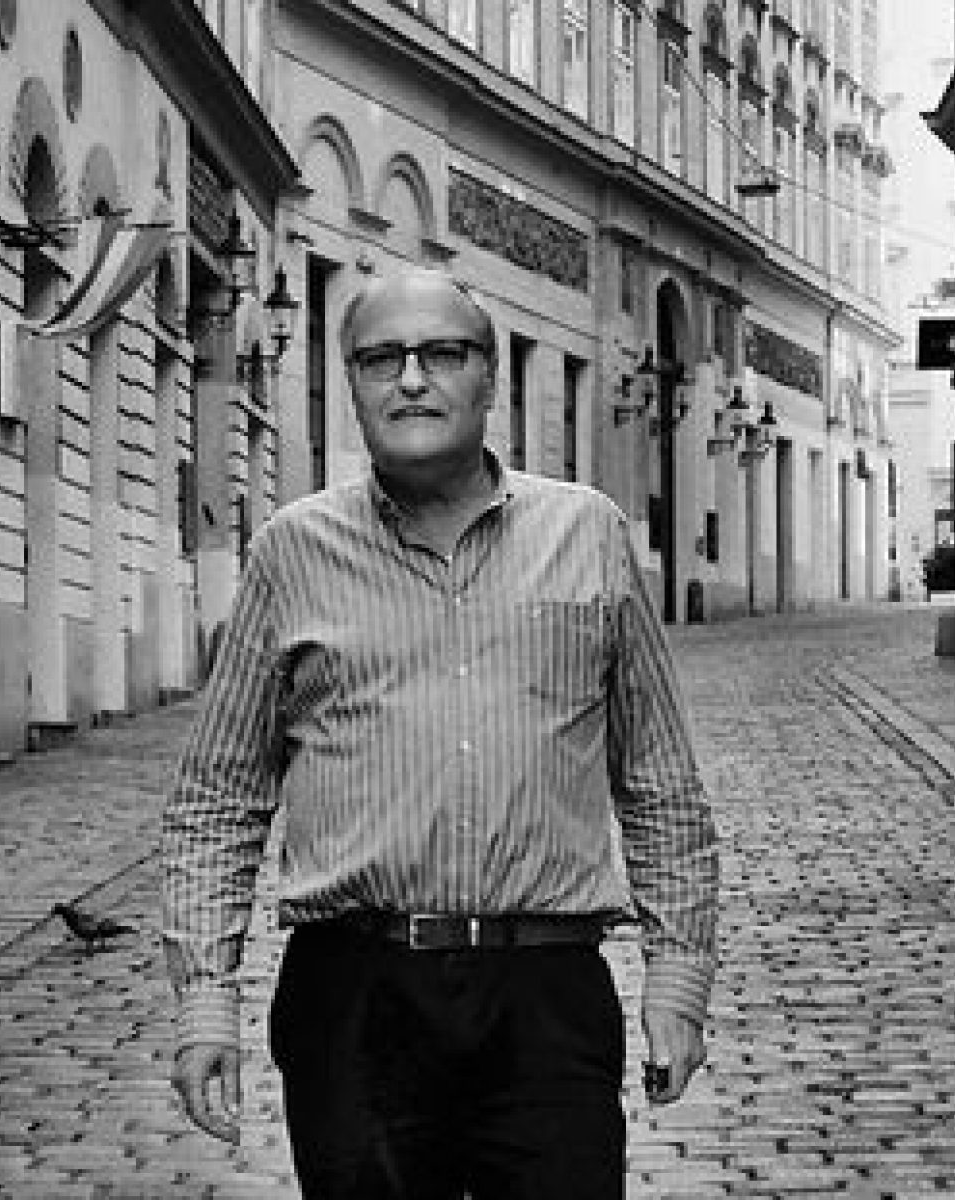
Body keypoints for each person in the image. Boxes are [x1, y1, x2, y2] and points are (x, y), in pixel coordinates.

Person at [162, 266, 719, 1199]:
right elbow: (219, 796)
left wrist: (677, 981)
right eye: (381, 358)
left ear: (489, 378)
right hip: (356, 1001)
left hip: (545, 995)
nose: (411, 379)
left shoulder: (587, 534)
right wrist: (206, 999)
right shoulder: (292, 551)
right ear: (351, 382)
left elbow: (659, 782)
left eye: (443, 354)